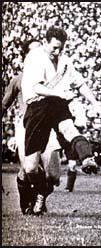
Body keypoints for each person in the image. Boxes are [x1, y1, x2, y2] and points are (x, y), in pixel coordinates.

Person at [21, 26, 101, 215]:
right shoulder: (35, 57)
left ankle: (87, 158)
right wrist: (59, 92)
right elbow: (37, 87)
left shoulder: (65, 61)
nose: (57, 52)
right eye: (55, 48)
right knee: (31, 168)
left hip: (57, 104)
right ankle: (41, 192)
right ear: (46, 42)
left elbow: (80, 83)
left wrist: (95, 103)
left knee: (69, 129)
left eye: (61, 48)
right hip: (38, 107)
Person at [2, 39, 62, 215]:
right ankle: (28, 203)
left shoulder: (54, 78)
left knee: (54, 175)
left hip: (49, 125)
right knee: (30, 169)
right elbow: (4, 105)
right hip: (26, 126)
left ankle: (39, 196)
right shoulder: (18, 80)